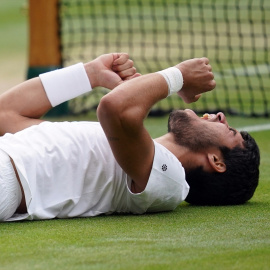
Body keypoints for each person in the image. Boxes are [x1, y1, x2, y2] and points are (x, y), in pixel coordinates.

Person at [0, 53, 260, 222]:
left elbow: (116, 108)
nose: (221, 116)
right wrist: (89, 75)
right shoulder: (102, 142)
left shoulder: (171, 183)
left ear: (216, 161)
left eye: (230, 131)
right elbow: (5, 114)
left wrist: (178, 76)